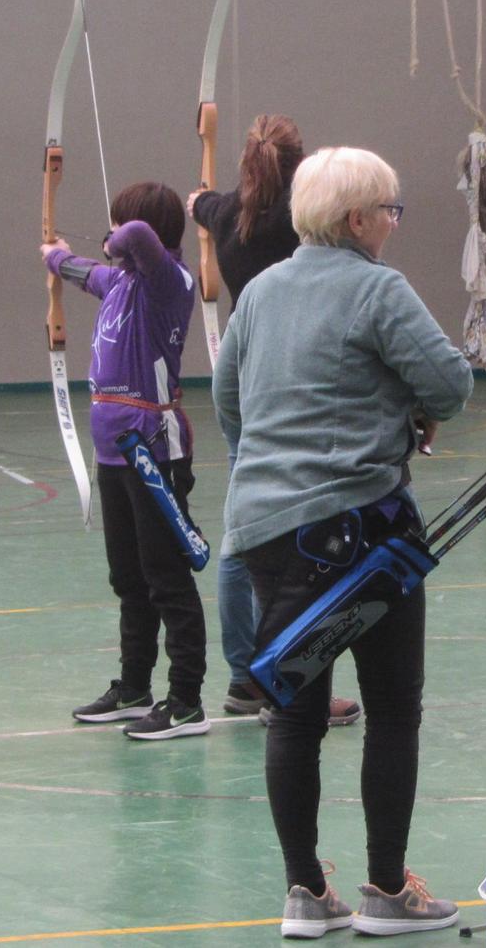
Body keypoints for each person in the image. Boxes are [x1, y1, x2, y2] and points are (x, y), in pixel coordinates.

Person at [214, 146, 474, 937]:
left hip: (265, 528)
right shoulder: (376, 287)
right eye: (391, 210)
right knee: (394, 708)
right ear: (358, 219)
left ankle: (304, 892)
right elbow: (453, 385)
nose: (394, 225)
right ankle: (387, 890)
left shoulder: (260, 292)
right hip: (361, 532)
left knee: (293, 711)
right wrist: (401, 411)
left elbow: (229, 399)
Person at [190, 114, 359, 730]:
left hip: (244, 378)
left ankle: (246, 677)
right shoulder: (300, 220)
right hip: (295, 382)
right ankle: (290, 675)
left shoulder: (227, 212)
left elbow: (199, 203)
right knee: (310, 531)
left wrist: (198, 197)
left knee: (245, 528)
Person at [45, 182, 208, 741]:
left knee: (167, 576)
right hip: (113, 452)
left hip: (152, 449)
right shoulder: (120, 282)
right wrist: (56, 256)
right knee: (129, 577)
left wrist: (120, 233)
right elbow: (83, 270)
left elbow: (135, 236)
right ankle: (134, 686)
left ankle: (186, 699)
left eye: (117, 225)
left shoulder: (169, 282)